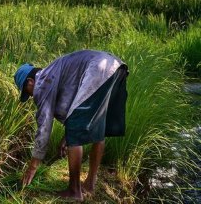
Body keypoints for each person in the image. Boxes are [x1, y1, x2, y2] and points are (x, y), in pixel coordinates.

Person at [14, 49, 128, 201]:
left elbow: (44, 128)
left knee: (76, 132)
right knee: (98, 126)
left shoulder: (42, 83)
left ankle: (74, 191)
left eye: (27, 92)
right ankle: (90, 184)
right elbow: (75, 107)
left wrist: (33, 166)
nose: (31, 96)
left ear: (30, 81)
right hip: (116, 67)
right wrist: (66, 136)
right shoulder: (54, 73)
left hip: (99, 70)